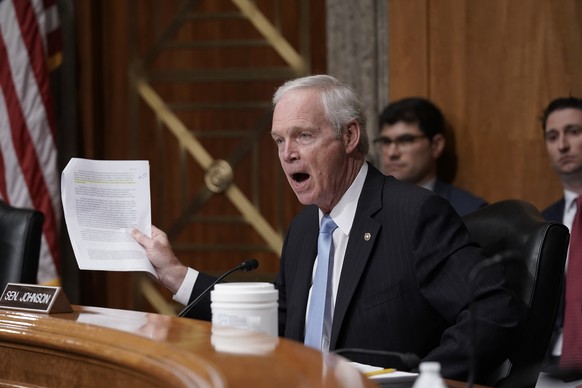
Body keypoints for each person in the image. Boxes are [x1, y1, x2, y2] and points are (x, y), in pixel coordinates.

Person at [132, 75, 521, 383]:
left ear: (349, 137)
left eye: (303, 135)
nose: (288, 154)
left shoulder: (414, 214)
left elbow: (491, 312)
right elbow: (282, 323)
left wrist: (423, 381)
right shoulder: (304, 230)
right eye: (279, 140)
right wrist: (179, 277)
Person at [376, 97, 487, 216]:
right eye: (386, 141)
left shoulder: (470, 210)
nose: (392, 153)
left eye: (406, 140)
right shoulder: (369, 204)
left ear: (436, 145)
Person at [540, 96, 582, 379]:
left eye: (574, 132)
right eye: (553, 136)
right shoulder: (543, 223)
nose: (562, 145)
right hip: (550, 364)